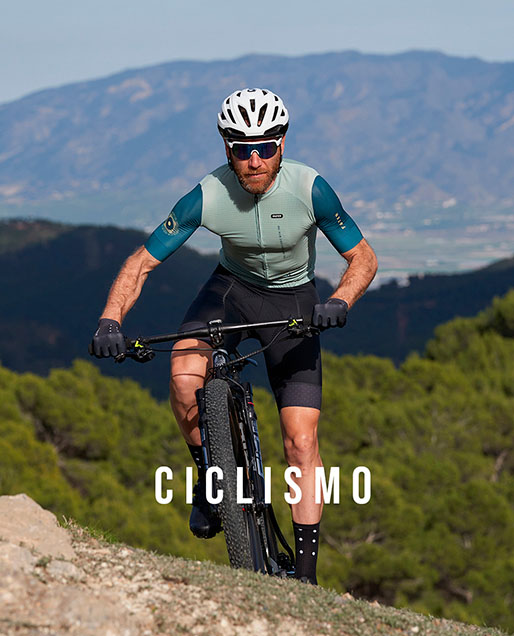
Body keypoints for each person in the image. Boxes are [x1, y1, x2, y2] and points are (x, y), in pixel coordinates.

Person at [91, 87, 378, 585]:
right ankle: (211, 477)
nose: (254, 159)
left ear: (281, 144)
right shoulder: (208, 194)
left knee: (301, 441)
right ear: (227, 148)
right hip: (231, 292)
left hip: (294, 301)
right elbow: (141, 263)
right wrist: (110, 320)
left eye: (265, 147)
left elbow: (363, 258)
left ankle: (306, 577)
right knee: (184, 375)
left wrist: (339, 302)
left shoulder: (310, 189)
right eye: (243, 148)